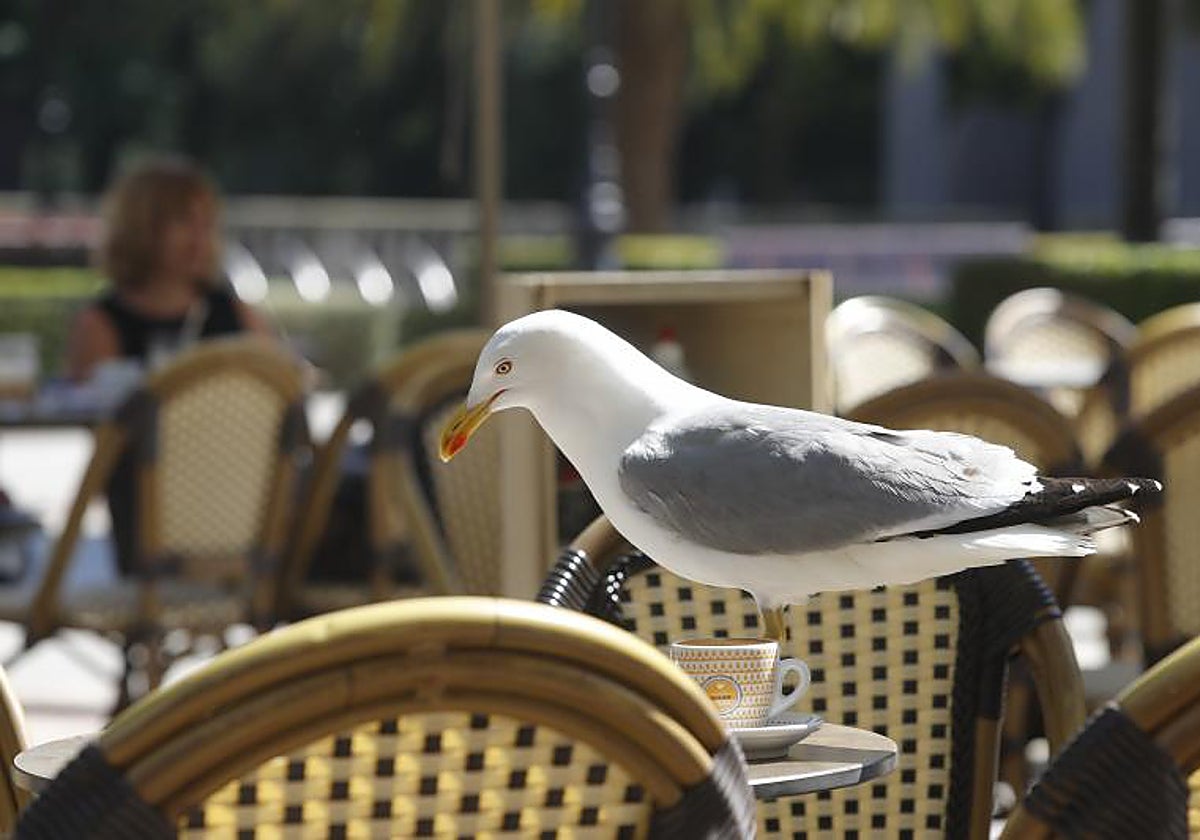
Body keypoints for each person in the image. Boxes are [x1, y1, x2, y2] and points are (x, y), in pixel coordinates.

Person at [67, 156, 271, 381]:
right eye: (183, 222)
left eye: (206, 223)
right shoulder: (100, 326)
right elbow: (90, 409)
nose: (199, 238)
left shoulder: (239, 317)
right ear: (142, 228)